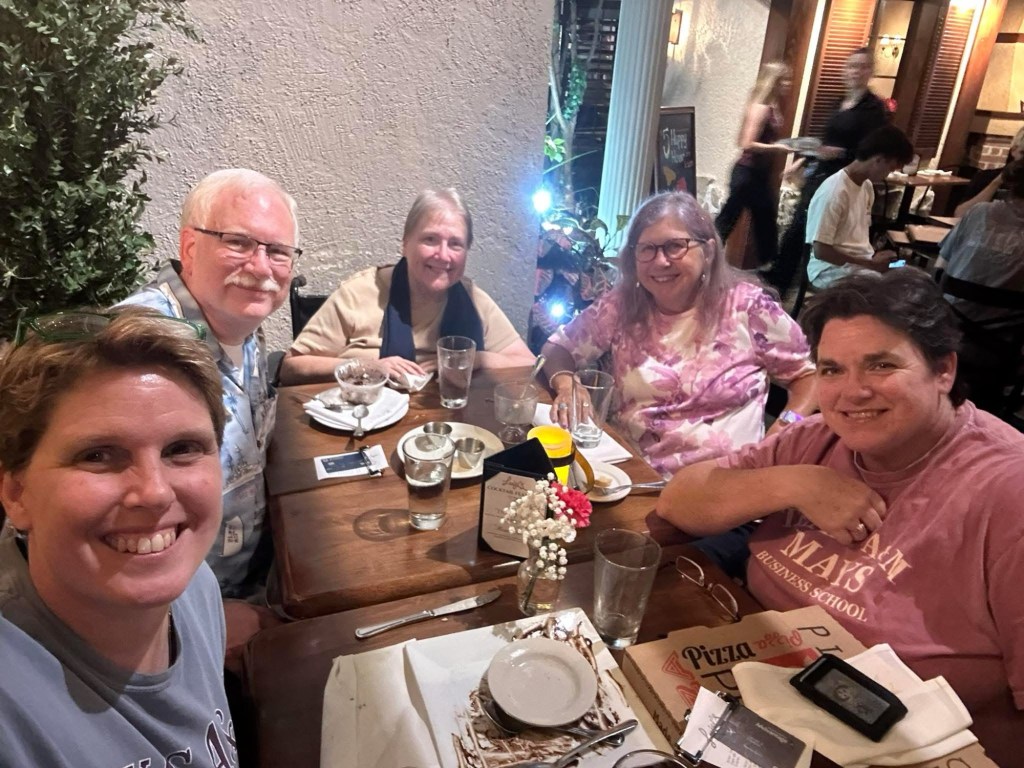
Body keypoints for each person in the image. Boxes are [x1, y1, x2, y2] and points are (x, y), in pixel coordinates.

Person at [655, 269, 1024, 765]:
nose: (852, 392)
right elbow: (678, 500)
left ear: (943, 370)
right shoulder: (818, 438)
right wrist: (797, 483)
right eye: (831, 370)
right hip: (748, 682)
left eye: (881, 365)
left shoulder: (1008, 490)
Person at [0, 308, 239, 766]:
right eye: (98, 455)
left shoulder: (195, 588)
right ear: (16, 493)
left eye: (182, 449)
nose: (154, 492)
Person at [542, 191, 816, 480]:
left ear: (708, 251)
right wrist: (566, 383)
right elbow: (558, 349)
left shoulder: (749, 307)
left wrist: (784, 428)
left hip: (725, 483)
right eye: (647, 249)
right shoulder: (622, 304)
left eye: (675, 246)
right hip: (631, 475)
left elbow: (808, 377)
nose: (660, 261)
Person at [121, 168, 295, 601]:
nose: (261, 267)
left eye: (278, 251)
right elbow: (112, 530)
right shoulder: (142, 350)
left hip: (255, 575)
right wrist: (201, 618)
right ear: (190, 247)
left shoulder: (241, 326)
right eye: (238, 242)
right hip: (184, 610)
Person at [280, 188, 535, 384]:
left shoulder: (473, 299)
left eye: (455, 244)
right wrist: (367, 366)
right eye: (430, 239)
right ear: (405, 244)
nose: (443, 255)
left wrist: (472, 359)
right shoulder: (358, 293)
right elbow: (290, 368)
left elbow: (527, 363)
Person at [769, 47, 889, 294]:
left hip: (845, 180)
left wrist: (842, 153)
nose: (856, 71)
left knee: (818, 234)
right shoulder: (837, 103)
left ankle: (806, 281)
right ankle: (780, 285)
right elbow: (823, 142)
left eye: (862, 66)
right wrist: (800, 161)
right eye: (851, 66)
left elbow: (873, 149)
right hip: (821, 175)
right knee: (798, 228)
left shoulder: (874, 109)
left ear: (870, 72)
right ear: (844, 70)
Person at [805, 125, 914, 289]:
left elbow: (856, 237)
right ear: (878, 159)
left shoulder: (866, 186)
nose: (889, 175)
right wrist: (870, 264)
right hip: (830, 270)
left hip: (862, 263)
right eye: (890, 169)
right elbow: (821, 251)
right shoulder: (834, 191)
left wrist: (875, 258)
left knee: (908, 271)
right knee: (890, 288)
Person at [716, 62, 794, 267]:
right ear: (773, 82)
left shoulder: (772, 106)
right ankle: (705, 259)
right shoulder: (761, 108)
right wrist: (777, 149)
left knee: (762, 224)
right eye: (783, 80)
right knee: (728, 221)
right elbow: (746, 143)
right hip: (747, 174)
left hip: (758, 175)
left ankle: (769, 269)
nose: (788, 84)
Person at [938, 157, 1024, 323]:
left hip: (951, 318)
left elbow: (943, 263)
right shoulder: (979, 212)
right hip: (1003, 330)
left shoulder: (979, 212)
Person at [954, 126, 1024, 217]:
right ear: (1014, 150)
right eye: (1023, 153)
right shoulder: (986, 176)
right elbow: (960, 214)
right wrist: (996, 183)